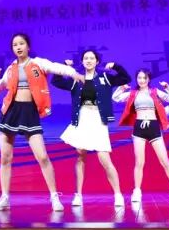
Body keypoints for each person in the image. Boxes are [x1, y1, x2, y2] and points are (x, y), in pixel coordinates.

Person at [0, 33, 84, 212]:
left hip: (29, 112)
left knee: (42, 157)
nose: (18, 47)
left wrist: (74, 74)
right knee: (5, 157)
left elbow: (57, 67)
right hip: (10, 112)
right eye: (15, 45)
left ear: (28, 46)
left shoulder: (38, 63)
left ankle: (54, 197)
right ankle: (4, 198)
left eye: (21, 44)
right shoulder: (10, 68)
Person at [51, 50, 130, 207]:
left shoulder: (104, 77)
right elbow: (56, 82)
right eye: (85, 58)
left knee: (105, 159)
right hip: (82, 118)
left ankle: (118, 194)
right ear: (82, 61)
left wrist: (116, 66)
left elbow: (125, 78)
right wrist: (63, 66)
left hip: (98, 119)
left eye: (92, 58)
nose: (88, 60)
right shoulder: (76, 78)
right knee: (81, 155)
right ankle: (78, 195)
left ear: (97, 61)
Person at [113, 69, 169, 203]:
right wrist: (122, 88)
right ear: (137, 79)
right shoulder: (133, 93)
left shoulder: (155, 92)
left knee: (165, 161)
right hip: (139, 128)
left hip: (153, 127)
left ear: (148, 79)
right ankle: (137, 191)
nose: (142, 80)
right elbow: (115, 98)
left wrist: (167, 87)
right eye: (139, 78)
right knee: (139, 162)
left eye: (144, 78)